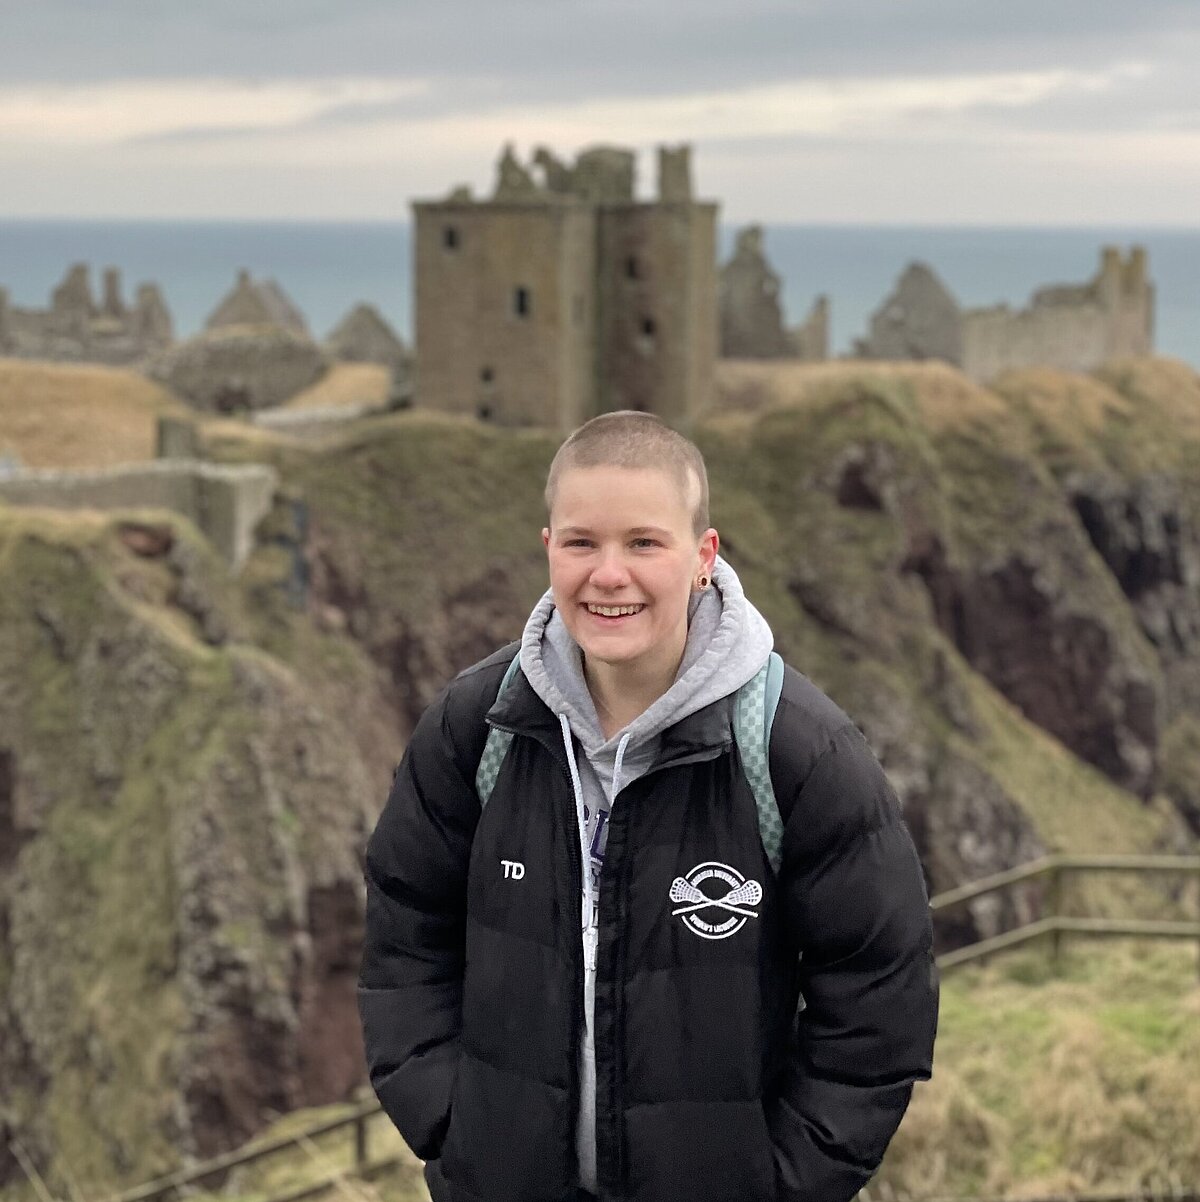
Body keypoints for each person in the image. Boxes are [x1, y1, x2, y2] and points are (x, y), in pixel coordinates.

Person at [358, 411, 938, 1202]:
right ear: (548, 548)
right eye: (581, 542)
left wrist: (779, 1186)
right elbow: (403, 938)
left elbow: (879, 999)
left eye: (643, 543)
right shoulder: (477, 728)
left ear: (703, 556)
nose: (609, 575)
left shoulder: (798, 751)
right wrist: (459, 1132)